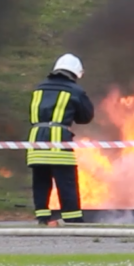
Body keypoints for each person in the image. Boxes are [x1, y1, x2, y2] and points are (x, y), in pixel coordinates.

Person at [26, 53, 95, 225]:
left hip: (36, 142)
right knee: (66, 181)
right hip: (59, 142)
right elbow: (85, 117)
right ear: (75, 73)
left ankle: (42, 218)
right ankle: (72, 219)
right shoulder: (75, 90)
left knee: (41, 181)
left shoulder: (38, 88)